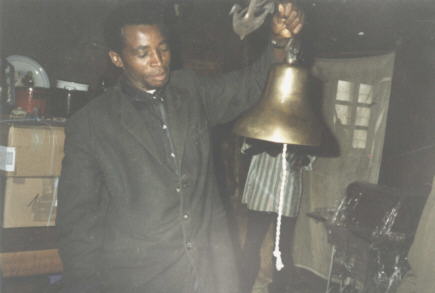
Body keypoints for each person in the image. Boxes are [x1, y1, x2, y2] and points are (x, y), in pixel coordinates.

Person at [56, 2, 304, 293]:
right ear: (117, 58)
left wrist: (278, 42)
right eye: (142, 53)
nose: (158, 61)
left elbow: (247, 86)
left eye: (162, 48)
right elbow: (77, 225)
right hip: (139, 281)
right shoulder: (91, 124)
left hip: (209, 272)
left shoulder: (191, 90)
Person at [240, 140, 312, 293]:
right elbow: (246, 147)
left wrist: (298, 155)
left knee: (283, 249)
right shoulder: (261, 115)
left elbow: (309, 158)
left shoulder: (304, 118)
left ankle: (278, 289)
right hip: (261, 190)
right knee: (251, 245)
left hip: (287, 193)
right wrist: (266, 144)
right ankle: (244, 288)